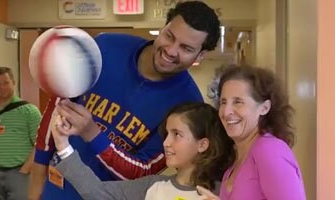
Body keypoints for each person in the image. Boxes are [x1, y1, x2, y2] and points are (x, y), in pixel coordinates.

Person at [28, 1, 221, 199]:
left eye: (186, 48)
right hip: (55, 187)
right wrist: (38, 172)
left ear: (201, 54)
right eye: (169, 36)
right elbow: (59, 104)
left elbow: (144, 170)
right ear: (163, 27)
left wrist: (92, 133)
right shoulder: (106, 46)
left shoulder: (188, 104)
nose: (171, 51)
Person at [52, 102, 235, 200]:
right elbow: (97, 193)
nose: (166, 143)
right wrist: (62, 144)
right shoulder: (152, 186)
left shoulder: (225, 192)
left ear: (202, 144)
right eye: (166, 134)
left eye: (177, 134)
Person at [198, 65, 306, 200]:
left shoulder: (269, 150)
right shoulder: (235, 161)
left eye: (238, 102)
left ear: (264, 108)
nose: (226, 112)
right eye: (223, 102)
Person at [0, 66, 41, 200]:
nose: (1, 87)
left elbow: (40, 144)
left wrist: (25, 169)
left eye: (5, 83)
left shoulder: (29, 111)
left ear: (13, 83)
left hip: (19, 174)